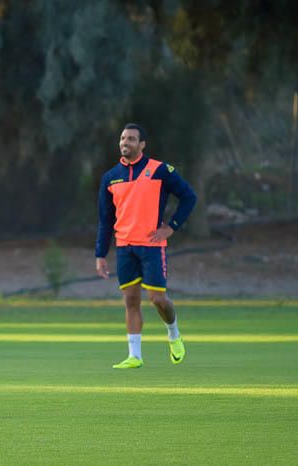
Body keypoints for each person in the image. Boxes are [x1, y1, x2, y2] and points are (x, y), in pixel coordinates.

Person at [95, 123, 196, 369]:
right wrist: (100, 254)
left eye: (131, 139)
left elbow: (189, 197)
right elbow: (106, 220)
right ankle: (135, 356)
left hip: (151, 246)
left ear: (142, 145)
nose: (125, 142)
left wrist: (171, 226)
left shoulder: (160, 170)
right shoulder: (110, 177)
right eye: (122, 138)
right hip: (124, 247)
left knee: (158, 300)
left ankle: (173, 334)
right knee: (131, 300)